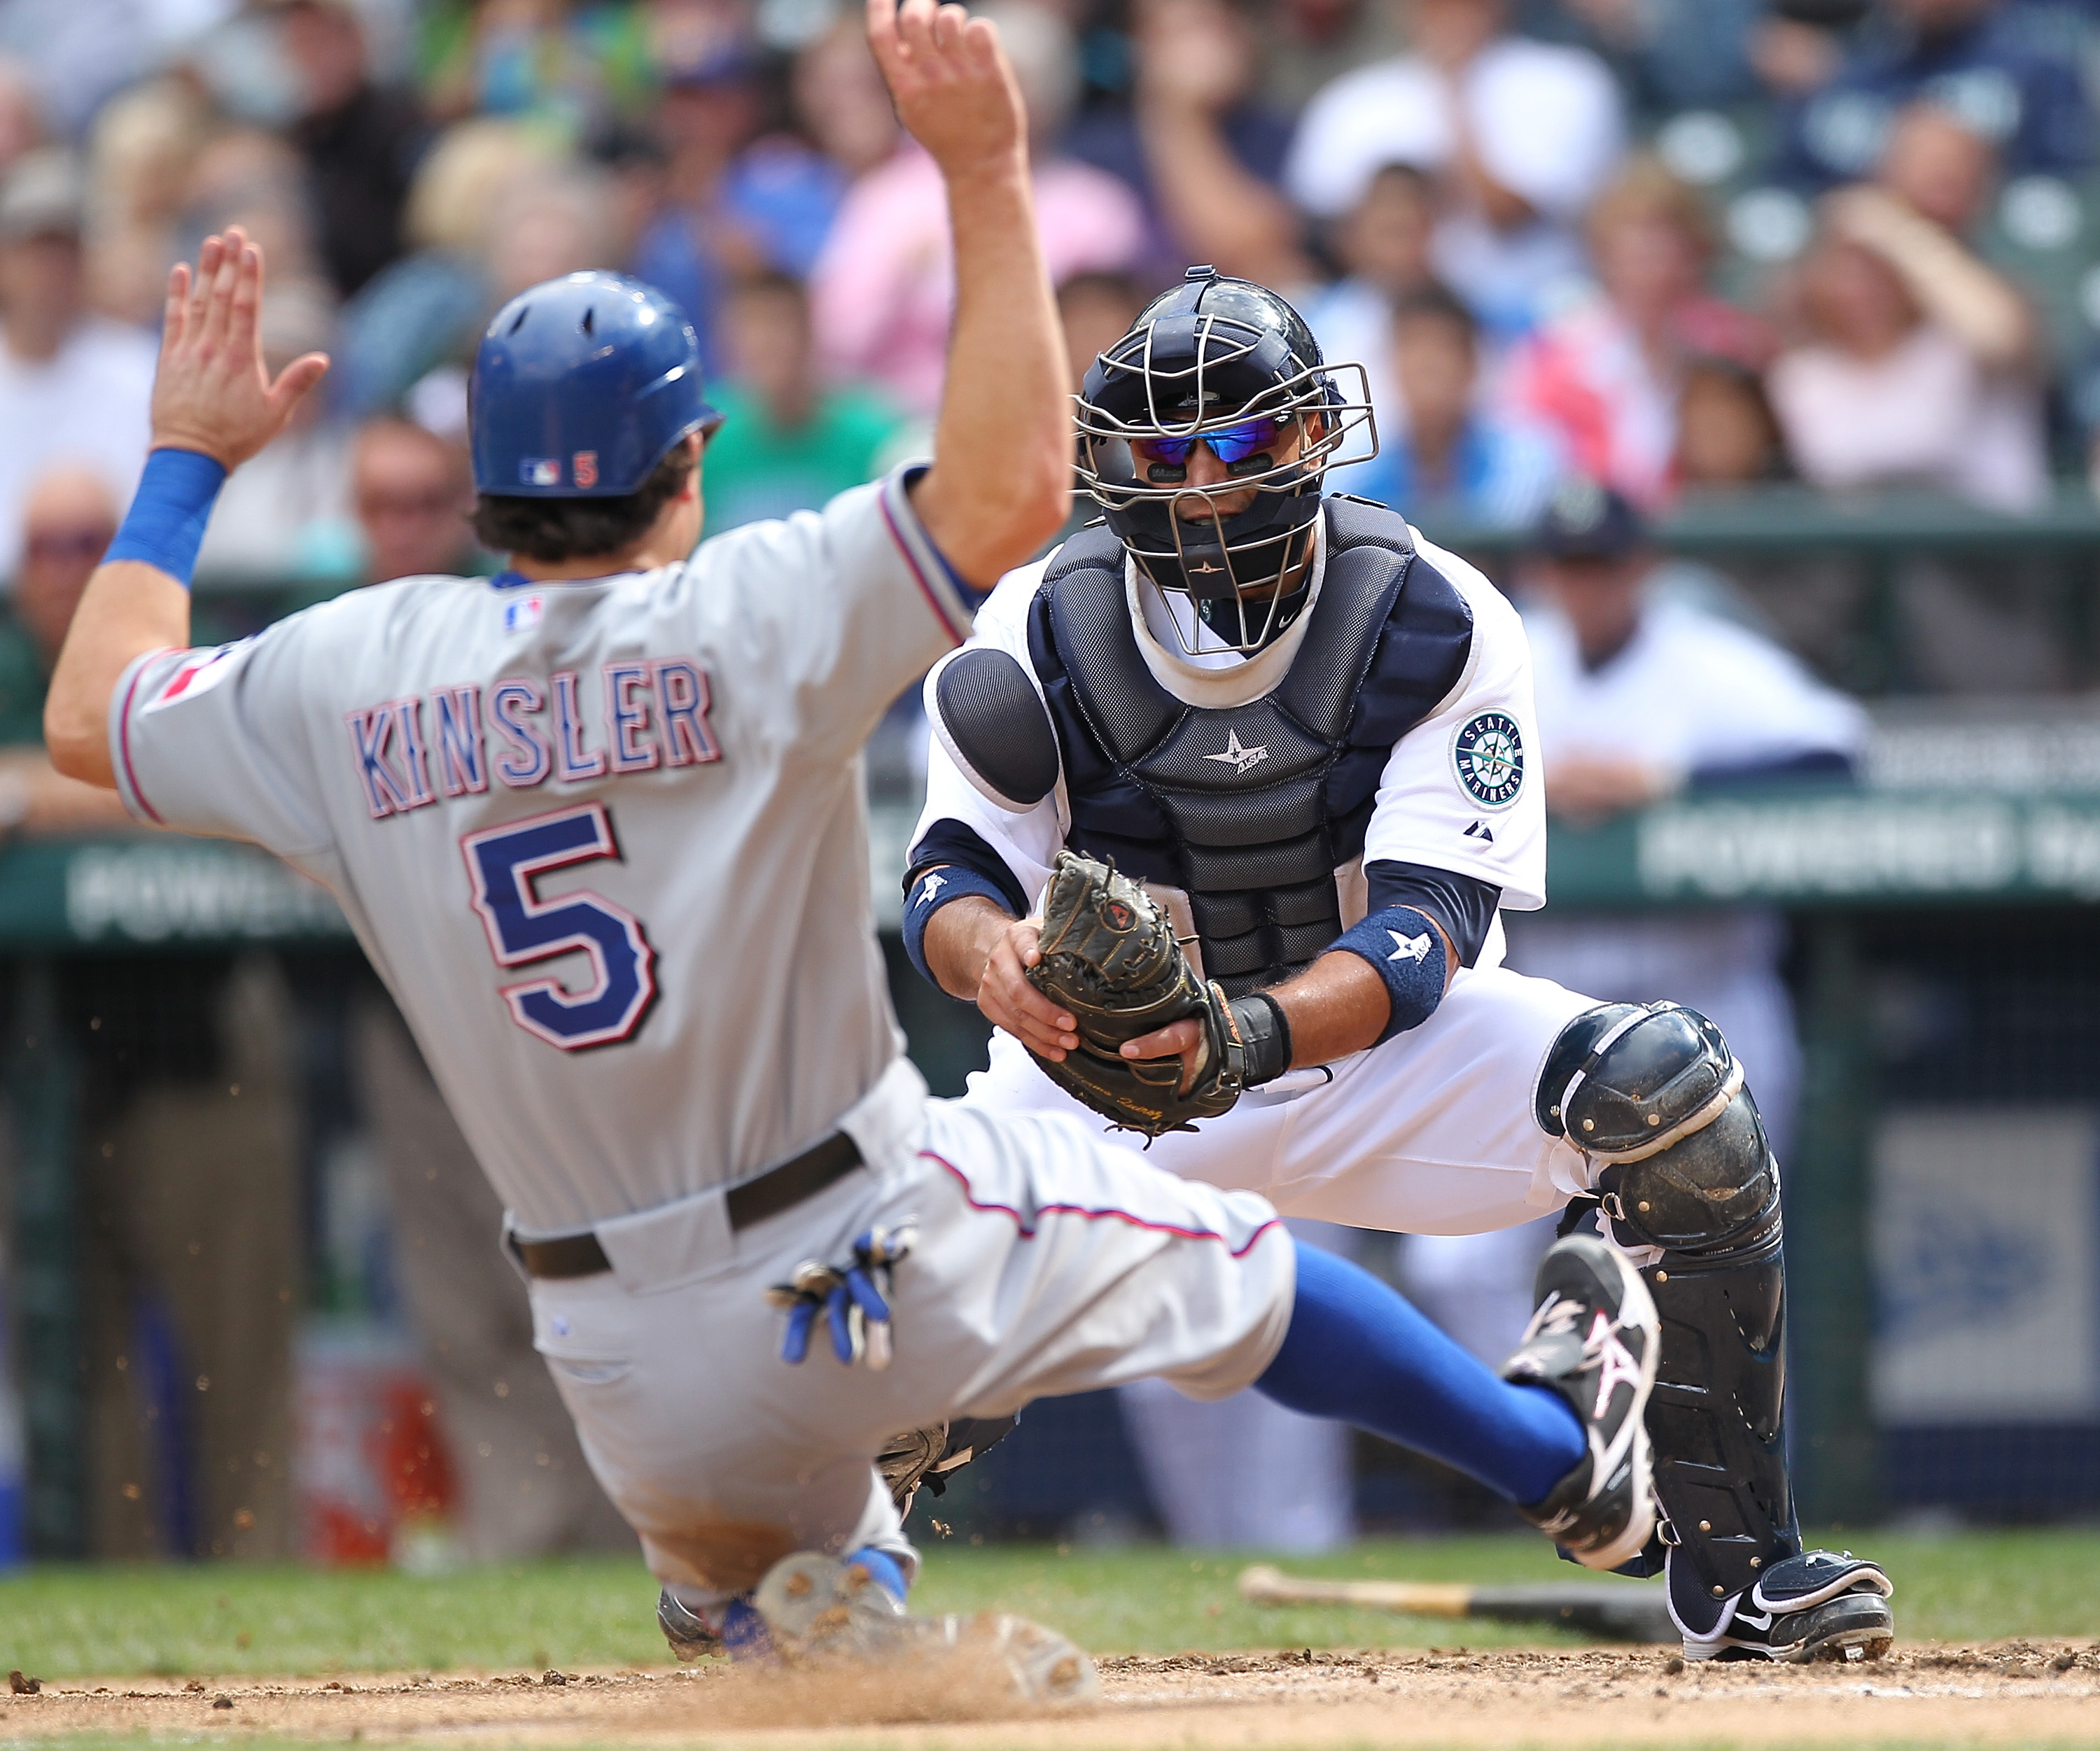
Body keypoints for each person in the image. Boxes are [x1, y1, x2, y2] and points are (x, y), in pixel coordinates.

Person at [46, 3, 1652, 1685]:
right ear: (688, 461)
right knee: (1244, 1269)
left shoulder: (344, 670)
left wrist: (186, 457)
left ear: (482, 483)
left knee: (797, 1546)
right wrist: (984, 168)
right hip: (867, 1242)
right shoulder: (750, 613)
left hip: (607, 1345)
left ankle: (810, 1600)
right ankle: (1563, 1461)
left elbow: (92, 714)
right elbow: (1019, 479)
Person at [897, 265, 1894, 1662]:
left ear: (1314, 436)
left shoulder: (1434, 617)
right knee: (887, 1271)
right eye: (1163, 456)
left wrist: (1243, 1037)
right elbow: (945, 878)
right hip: (1107, 1086)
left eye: (1238, 444)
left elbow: (1424, 933)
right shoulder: (1038, 628)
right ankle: (818, 1606)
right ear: (1107, 469)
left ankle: (1738, 1576)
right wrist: (993, 959)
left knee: (1671, 1095)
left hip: (1373, 1051)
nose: (1199, 491)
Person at [810, 0, 1146, 416]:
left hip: (1053, 420)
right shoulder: (890, 197)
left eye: (1013, 82)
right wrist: (901, 277)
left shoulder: (1097, 209)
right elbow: (835, 340)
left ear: (1047, 97)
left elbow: (1114, 346)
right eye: (979, 79)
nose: (993, 97)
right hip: (906, 423)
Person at [1284, 0, 1625, 337]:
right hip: (1389, 331)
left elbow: (1508, 213)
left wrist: (1456, 96)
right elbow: (1321, 233)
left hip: (1539, 327)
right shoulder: (1351, 103)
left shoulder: (1568, 81)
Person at [1500, 157, 1773, 509]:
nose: (1650, 267)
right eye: (1634, 250)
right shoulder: (1553, 355)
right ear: (1604, 255)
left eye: (1664, 247)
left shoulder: (1737, 346)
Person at [0, 148, 155, 576]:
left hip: (102, 598)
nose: (48, 271)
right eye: (34, 251)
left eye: (63, 252)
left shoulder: (137, 370)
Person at [1331, 283, 1561, 526]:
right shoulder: (1355, 476)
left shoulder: (1530, 464)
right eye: (1412, 347)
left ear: (1472, 363)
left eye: (1443, 348)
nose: (1428, 365)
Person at [699, 272, 905, 534]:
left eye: (777, 326)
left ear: (809, 332)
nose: (764, 343)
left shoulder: (873, 440)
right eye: (750, 329)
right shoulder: (702, 440)